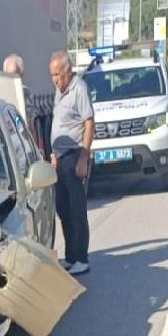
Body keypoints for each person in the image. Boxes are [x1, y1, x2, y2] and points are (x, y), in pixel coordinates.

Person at [48, 51, 95, 276]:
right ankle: (71, 256)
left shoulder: (80, 89)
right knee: (63, 209)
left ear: (68, 71)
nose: (55, 79)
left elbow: (88, 123)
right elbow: (59, 123)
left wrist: (84, 157)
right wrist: (54, 154)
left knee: (77, 210)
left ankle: (82, 258)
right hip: (61, 159)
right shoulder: (59, 93)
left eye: (58, 74)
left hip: (76, 156)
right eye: (52, 75)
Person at [3, 53, 39, 145]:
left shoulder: (26, 93)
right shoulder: (0, 96)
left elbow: (31, 123)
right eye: (9, 75)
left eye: (16, 76)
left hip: (25, 144)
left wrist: (35, 146)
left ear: (22, 75)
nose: (13, 80)